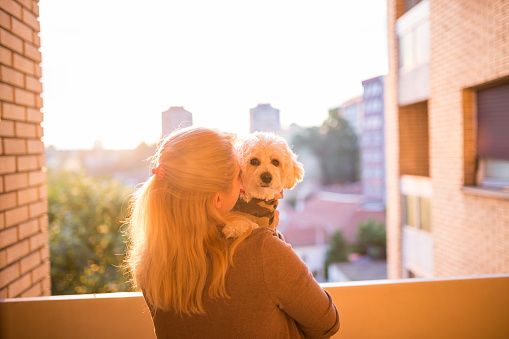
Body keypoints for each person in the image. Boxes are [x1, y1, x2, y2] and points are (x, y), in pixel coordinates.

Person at [125, 127, 340, 338]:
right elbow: (327, 323)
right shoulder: (264, 251)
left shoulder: (149, 260)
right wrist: (269, 236)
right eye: (239, 175)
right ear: (217, 198)